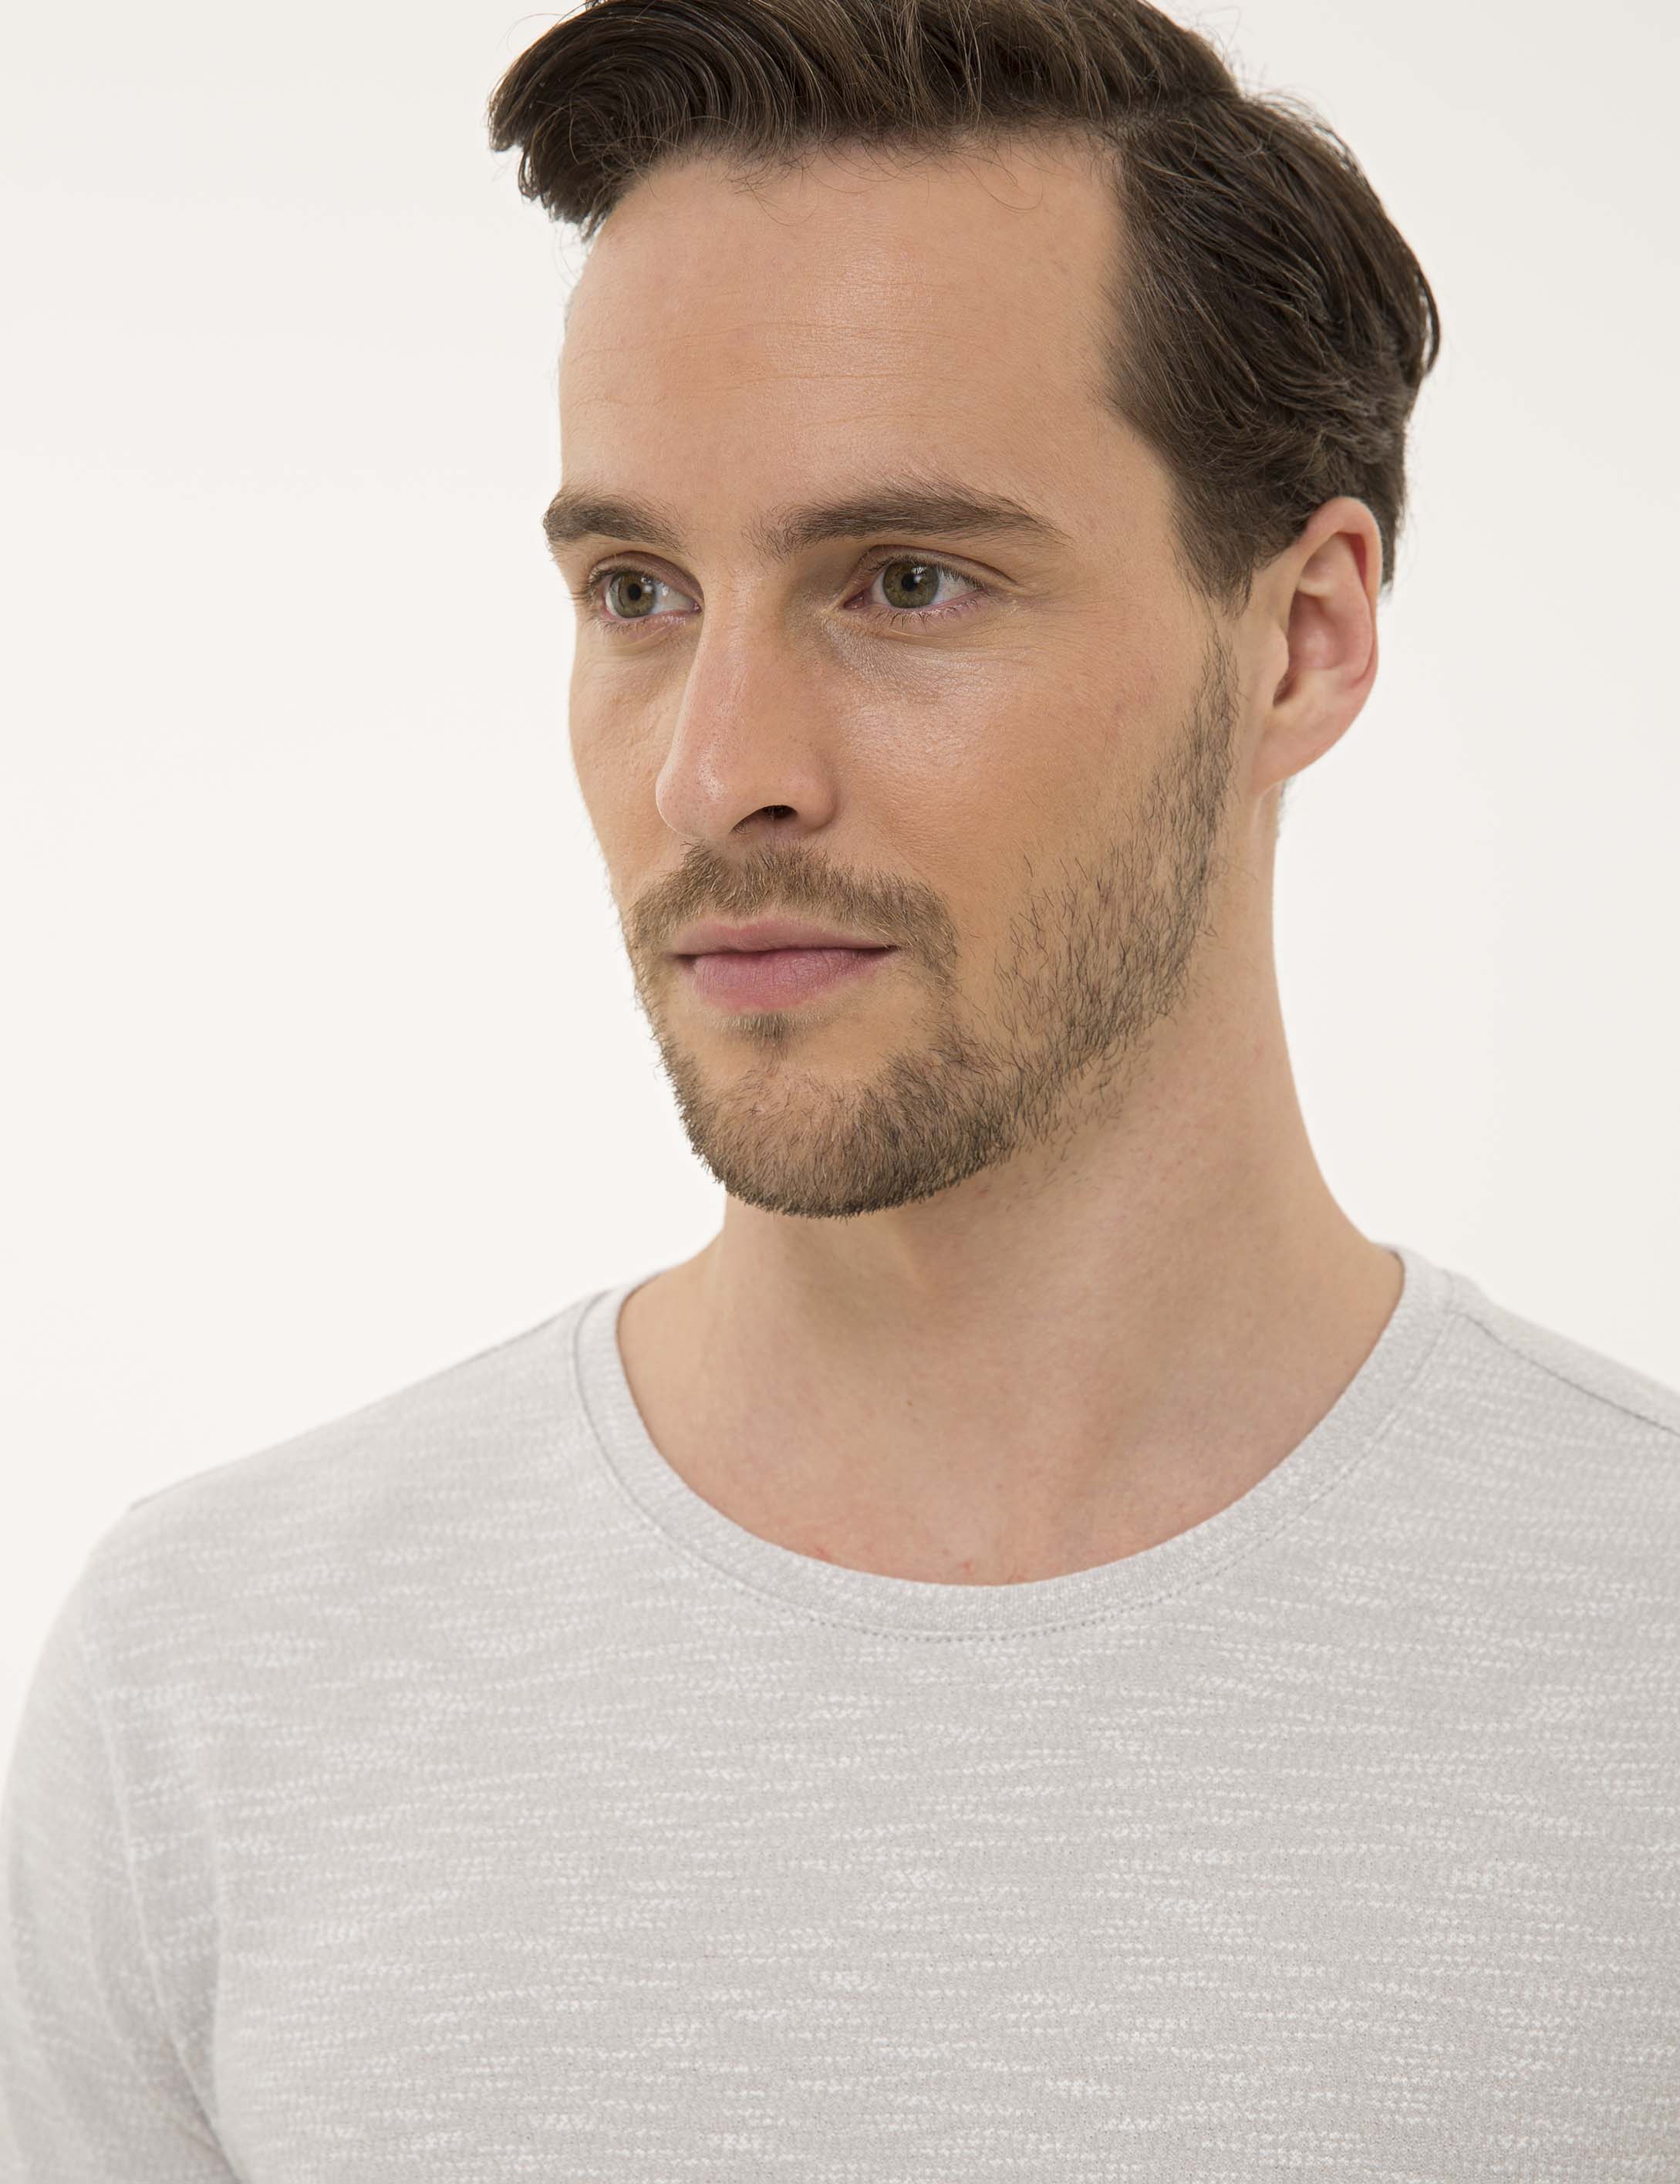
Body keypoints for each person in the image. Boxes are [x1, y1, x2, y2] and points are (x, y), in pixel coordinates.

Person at [4, 0, 1677, 2173]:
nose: (717, 774)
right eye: (637, 592)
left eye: (905, 583)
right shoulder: (217, 1686)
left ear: (1301, 639)